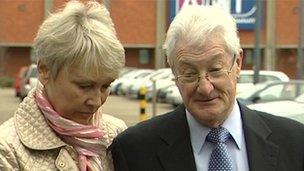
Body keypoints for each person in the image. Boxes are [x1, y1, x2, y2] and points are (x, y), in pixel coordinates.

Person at [110, 5, 304, 171]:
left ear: (238, 63)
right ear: (174, 73)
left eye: (215, 69)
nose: (204, 87)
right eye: (189, 73)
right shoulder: (135, 151)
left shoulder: (295, 142)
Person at [0, 1, 126, 170]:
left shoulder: (116, 134)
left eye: (105, 86)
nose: (96, 101)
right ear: (45, 71)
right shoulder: (7, 149)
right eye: (85, 86)